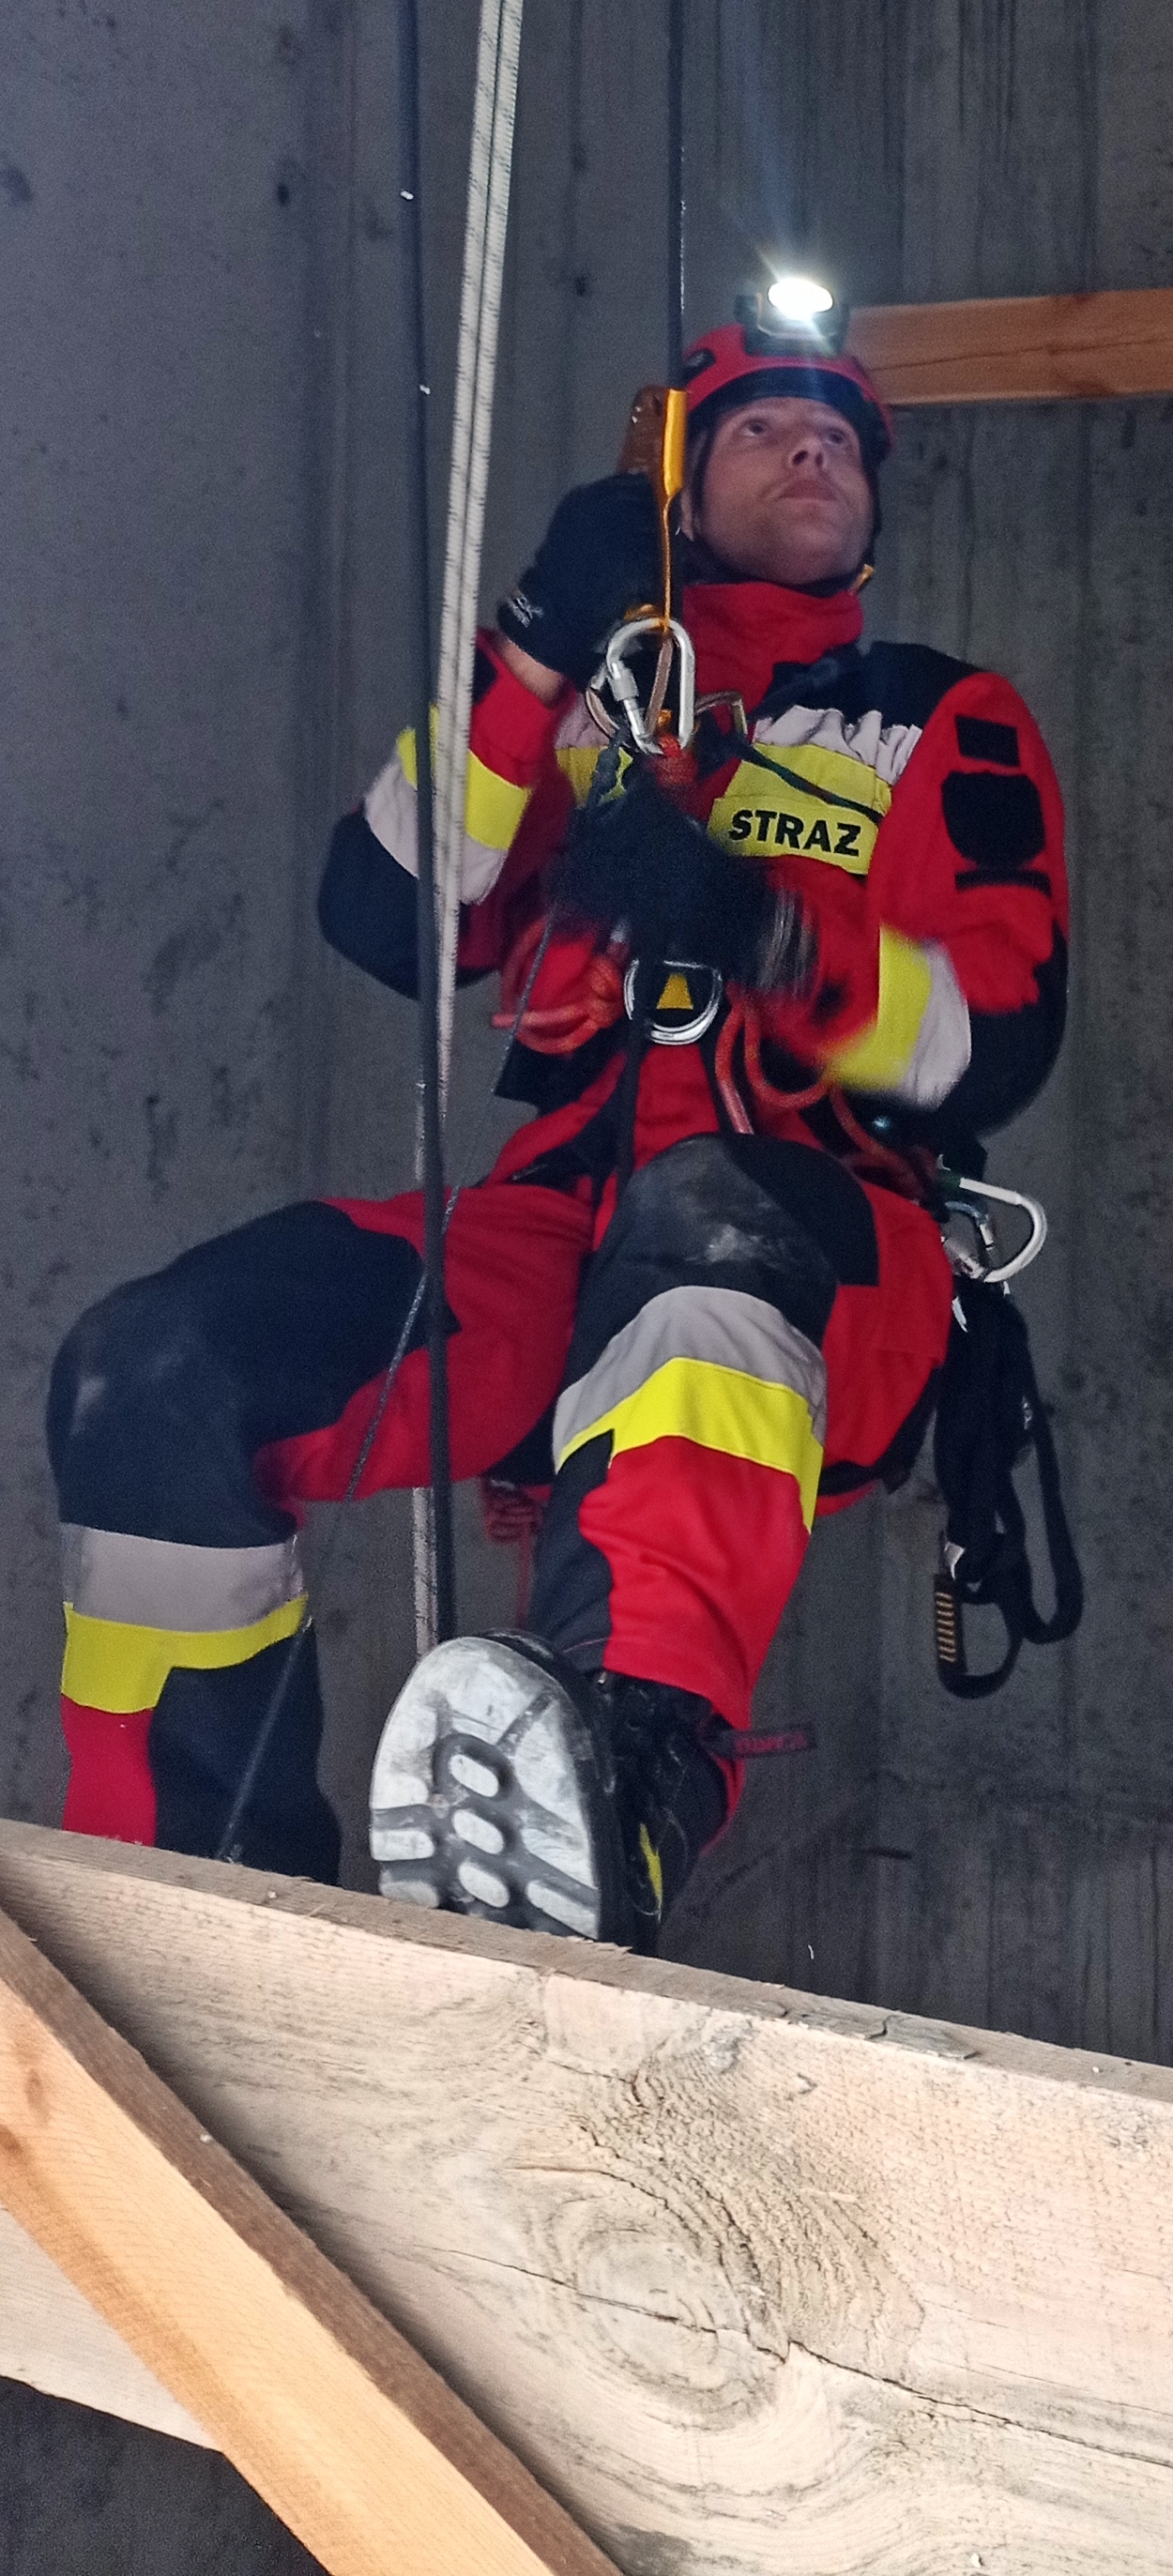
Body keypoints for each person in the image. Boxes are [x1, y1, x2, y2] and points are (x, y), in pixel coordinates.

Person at [47, 312, 1068, 1945]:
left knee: (705, 1219)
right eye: (763, 429)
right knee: (154, 1367)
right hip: (558, 1234)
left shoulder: (944, 720)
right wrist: (532, 653)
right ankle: (191, 1893)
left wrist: (756, 927)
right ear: (677, 486)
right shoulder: (596, 714)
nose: (815, 448)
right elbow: (387, 914)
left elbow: (991, 1041)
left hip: (824, 1255)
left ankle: (620, 1801)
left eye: (840, 438)